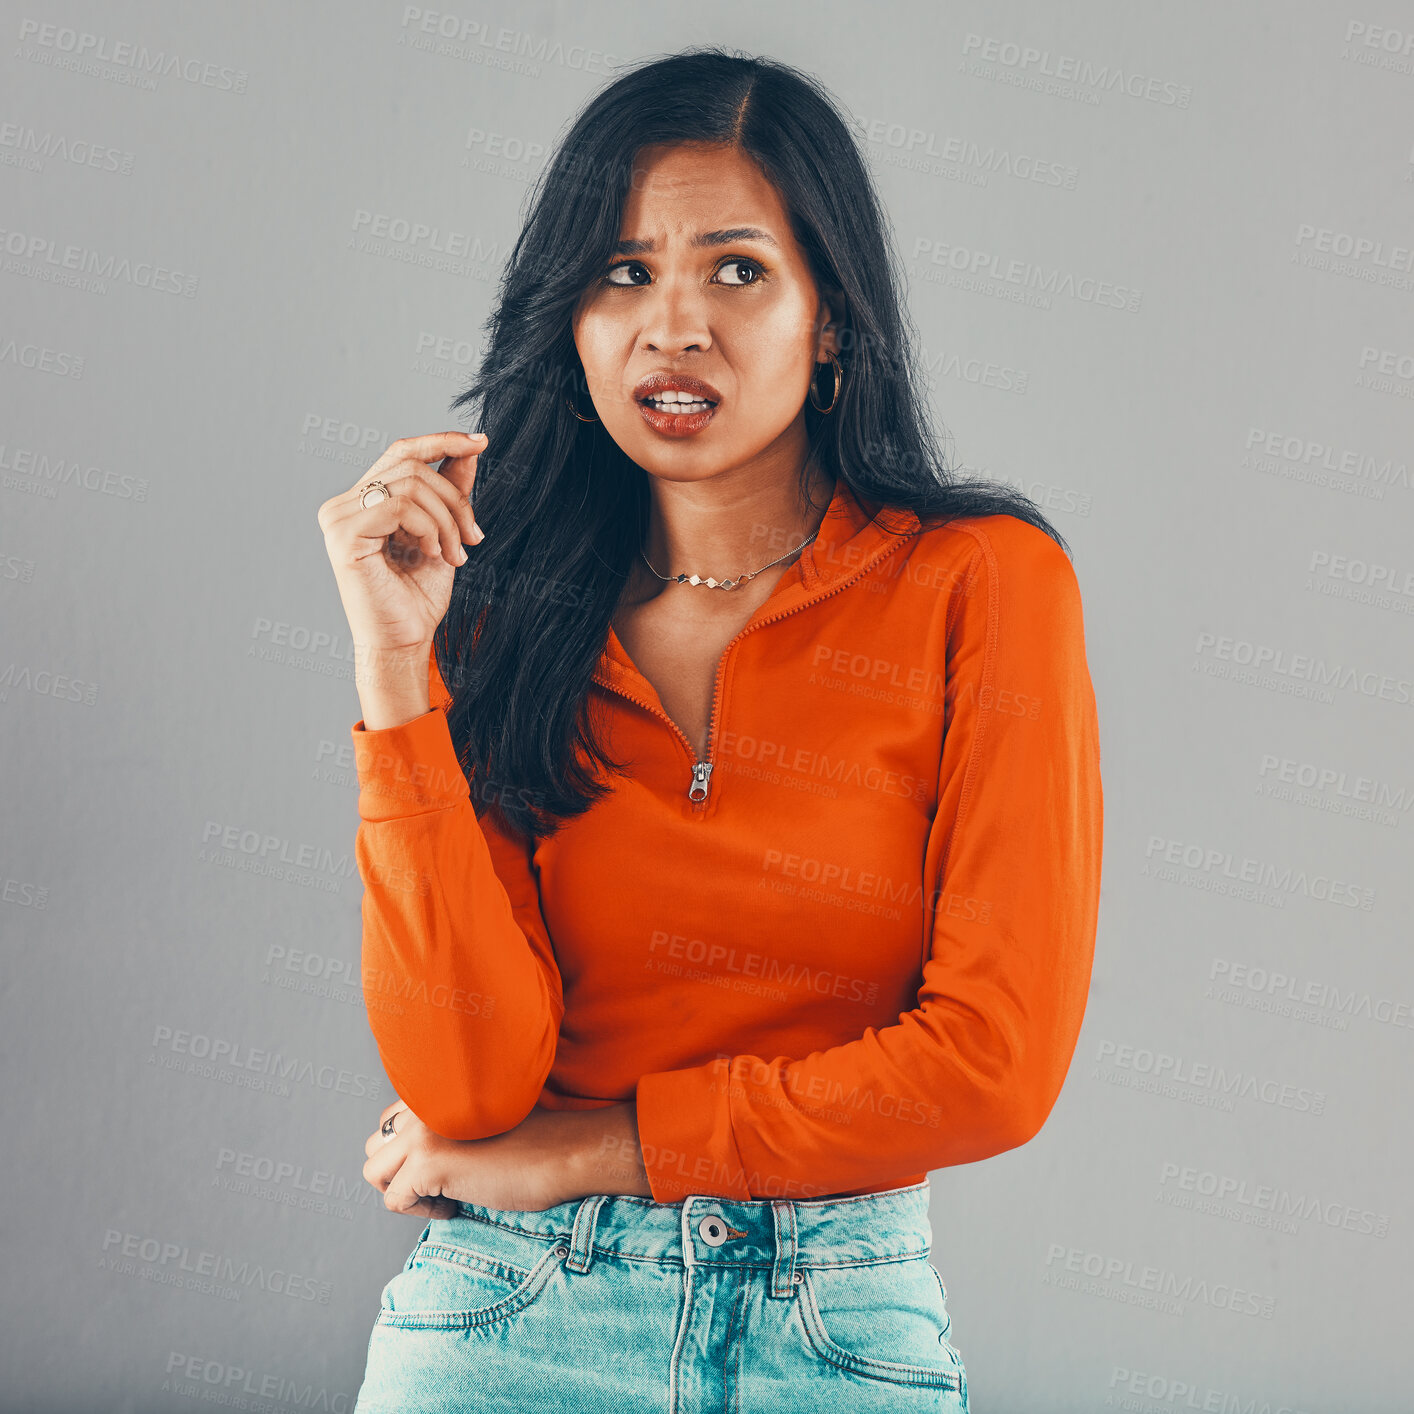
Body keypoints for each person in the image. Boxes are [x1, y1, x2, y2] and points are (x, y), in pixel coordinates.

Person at [318, 46, 1103, 1414]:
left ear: (832, 314)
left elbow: (991, 1064)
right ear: (567, 317)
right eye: (622, 273)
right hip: (512, 1314)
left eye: (735, 271)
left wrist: (593, 1148)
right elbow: (466, 1079)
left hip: (838, 1320)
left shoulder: (981, 583)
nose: (669, 326)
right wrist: (397, 675)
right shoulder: (499, 614)